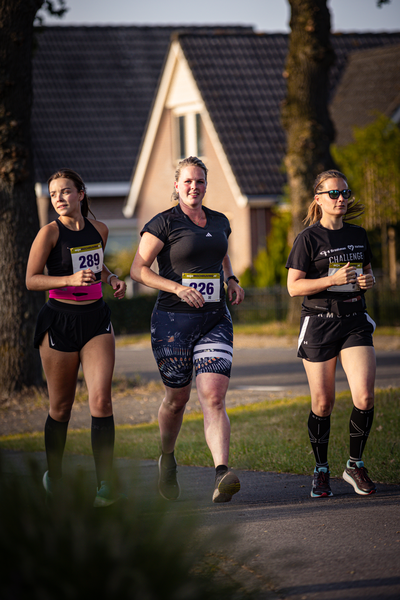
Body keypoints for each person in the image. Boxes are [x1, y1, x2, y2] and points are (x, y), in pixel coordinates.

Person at [130, 156, 245, 503]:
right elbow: (138, 269)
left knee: (213, 395)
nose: (194, 187)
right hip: (172, 324)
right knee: (177, 400)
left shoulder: (221, 221)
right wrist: (177, 288)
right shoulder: (163, 223)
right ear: (177, 186)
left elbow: (221, 253)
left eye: (200, 181)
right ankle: (167, 458)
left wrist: (231, 279)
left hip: (214, 319)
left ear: (206, 185)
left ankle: (222, 472)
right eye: (188, 181)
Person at [26, 168, 127, 507]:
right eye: (54, 194)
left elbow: (97, 266)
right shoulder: (48, 234)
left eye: (66, 191)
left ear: (81, 194)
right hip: (59, 322)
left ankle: (106, 485)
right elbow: (31, 280)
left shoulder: (100, 229)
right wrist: (68, 280)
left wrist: (111, 278)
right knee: (61, 408)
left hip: (96, 320)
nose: (59, 198)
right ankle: (53, 475)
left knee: (101, 401)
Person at [286, 169, 377, 498]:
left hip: (354, 321)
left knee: (364, 396)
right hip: (320, 322)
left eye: (345, 193)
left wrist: (368, 281)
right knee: (323, 403)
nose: (341, 199)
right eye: (334, 193)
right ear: (318, 198)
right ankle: (321, 469)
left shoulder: (358, 235)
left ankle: (354, 464)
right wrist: (330, 281)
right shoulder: (308, 239)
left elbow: (367, 274)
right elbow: (293, 287)